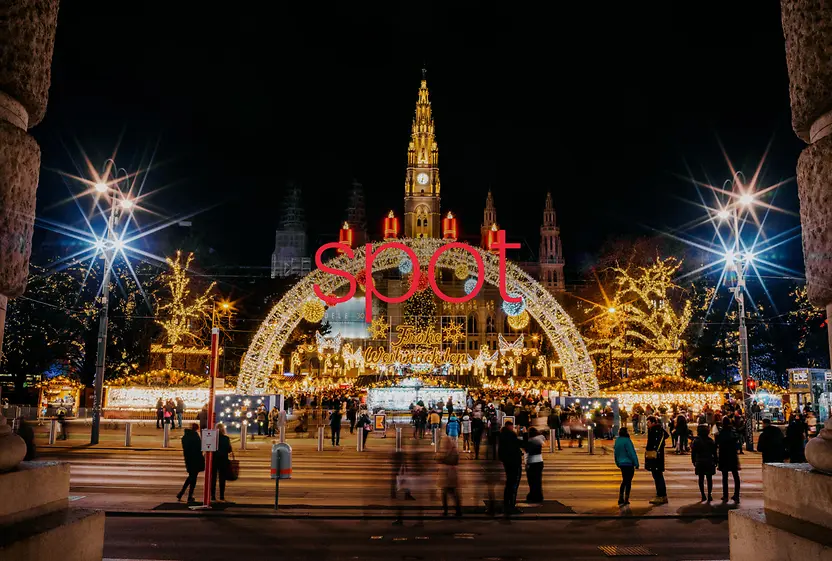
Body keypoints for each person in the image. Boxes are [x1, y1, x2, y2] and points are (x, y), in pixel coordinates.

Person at [498, 420, 524, 518]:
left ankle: (507, 504)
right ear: (510, 426)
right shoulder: (511, 435)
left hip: (507, 462)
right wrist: (524, 433)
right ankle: (511, 506)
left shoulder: (502, 435)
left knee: (509, 483)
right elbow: (521, 444)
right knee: (513, 484)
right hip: (514, 462)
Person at [644, 416, 670, 505]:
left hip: (655, 456)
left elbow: (653, 443)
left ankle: (661, 495)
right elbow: (666, 435)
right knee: (657, 475)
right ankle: (661, 495)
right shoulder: (659, 430)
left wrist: (652, 450)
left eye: (648, 422)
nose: (647, 424)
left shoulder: (655, 431)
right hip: (658, 456)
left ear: (653, 422)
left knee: (657, 476)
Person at [177, 423, 204, 503]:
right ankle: (189, 496)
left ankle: (182, 493)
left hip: (188, 459)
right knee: (193, 478)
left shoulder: (185, 437)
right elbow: (200, 448)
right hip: (196, 459)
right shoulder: (195, 437)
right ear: (196, 429)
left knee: (191, 477)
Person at [716, 416, 741, 503]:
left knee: (725, 477)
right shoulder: (733, 432)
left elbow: (717, 444)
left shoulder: (720, 433)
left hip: (724, 456)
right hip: (732, 456)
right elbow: (737, 442)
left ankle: (725, 495)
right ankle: (736, 495)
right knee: (735, 476)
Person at [613, 426, 639, 506]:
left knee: (624, 480)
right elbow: (631, 453)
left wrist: (617, 462)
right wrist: (636, 463)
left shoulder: (617, 441)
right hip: (629, 463)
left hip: (621, 463)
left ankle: (621, 497)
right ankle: (626, 498)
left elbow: (616, 453)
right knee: (628, 481)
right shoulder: (627, 441)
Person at [691, 424, 716, 502]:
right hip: (709, 461)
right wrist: (715, 461)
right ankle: (709, 494)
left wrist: (693, 461)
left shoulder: (696, 441)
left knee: (701, 479)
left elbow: (693, 453)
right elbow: (714, 452)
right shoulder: (710, 441)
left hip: (700, 461)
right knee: (709, 479)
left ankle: (703, 495)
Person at [437, 436, 462, 517]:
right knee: (448, 493)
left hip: (451, 475)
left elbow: (453, 460)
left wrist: (443, 459)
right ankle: (452, 510)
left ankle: (453, 510)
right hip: (448, 476)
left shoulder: (453, 451)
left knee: (449, 493)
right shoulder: (448, 451)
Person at [212, 423, 232, 502]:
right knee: (222, 479)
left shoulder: (213, 438)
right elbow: (229, 450)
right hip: (223, 460)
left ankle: (213, 495)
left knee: (213, 478)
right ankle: (221, 496)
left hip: (214, 460)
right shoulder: (226, 438)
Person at [525, 427, 545, 504]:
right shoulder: (539, 440)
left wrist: (527, 464)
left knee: (532, 480)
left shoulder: (531, 441)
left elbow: (528, 453)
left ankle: (534, 495)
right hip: (540, 461)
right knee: (538, 480)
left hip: (532, 462)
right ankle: (538, 495)